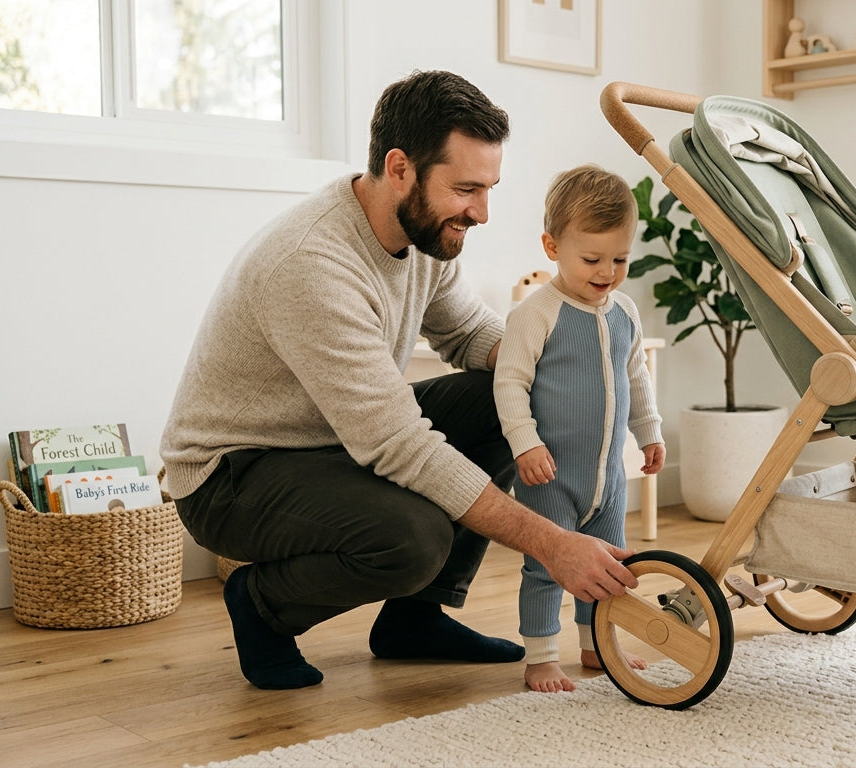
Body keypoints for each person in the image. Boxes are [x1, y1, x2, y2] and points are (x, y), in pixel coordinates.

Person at [160, 71, 639, 691]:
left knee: (507, 401)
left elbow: (474, 338)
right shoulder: (312, 264)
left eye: (489, 189)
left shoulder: (423, 239)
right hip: (234, 472)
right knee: (414, 538)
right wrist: (554, 543)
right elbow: (399, 444)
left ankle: (413, 621)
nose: (482, 213)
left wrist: (568, 358)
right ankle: (262, 604)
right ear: (400, 168)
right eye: (466, 189)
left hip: (334, 439)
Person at [493, 165, 665, 693]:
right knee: (547, 568)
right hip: (549, 476)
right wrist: (525, 443)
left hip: (607, 479)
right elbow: (509, 385)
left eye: (619, 259)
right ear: (552, 246)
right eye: (591, 259)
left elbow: (636, 378)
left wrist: (649, 431)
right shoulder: (536, 314)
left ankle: (597, 647)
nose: (606, 272)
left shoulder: (625, 313)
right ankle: (542, 656)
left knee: (608, 568)